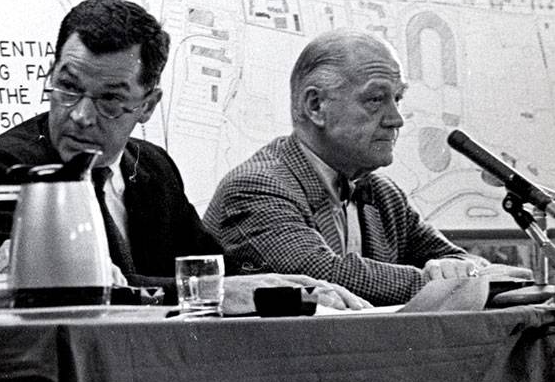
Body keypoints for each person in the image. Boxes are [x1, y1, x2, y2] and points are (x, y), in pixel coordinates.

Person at [0, 0, 366, 311]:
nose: (79, 115)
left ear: (147, 105)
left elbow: (214, 268)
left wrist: (290, 288)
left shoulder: (153, 168)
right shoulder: (5, 170)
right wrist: (215, 292)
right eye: (68, 87)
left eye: (110, 100)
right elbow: (76, 292)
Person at [203, 28, 528, 306]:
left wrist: (461, 272)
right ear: (315, 106)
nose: (395, 119)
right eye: (375, 99)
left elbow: (456, 259)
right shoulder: (256, 186)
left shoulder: (382, 193)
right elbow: (324, 275)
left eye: (397, 99)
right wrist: (453, 284)